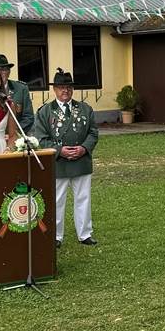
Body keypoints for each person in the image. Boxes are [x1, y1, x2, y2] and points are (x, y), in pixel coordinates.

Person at [32, 68, 99, 248]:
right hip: (58, 162)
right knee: (56, 200)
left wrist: (84, 149)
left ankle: (85, 234)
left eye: (68, 87)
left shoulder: (85, 109)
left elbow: (93, 133)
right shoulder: (45, 112)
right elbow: (41, 139)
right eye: (61, 87)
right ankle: (56, 236)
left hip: (81, 161)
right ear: (54, 90)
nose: (65, 91)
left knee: (83, 198)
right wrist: (59, 150)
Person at [0, 53, 34, 134]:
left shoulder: (21, 89)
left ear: (9, 71)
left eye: (6, 69)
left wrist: (13, 133)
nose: (3, 72)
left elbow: (28, 117)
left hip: (15, 138)